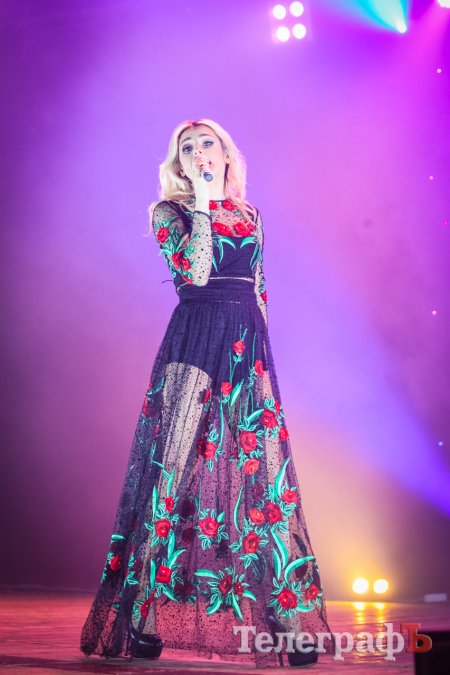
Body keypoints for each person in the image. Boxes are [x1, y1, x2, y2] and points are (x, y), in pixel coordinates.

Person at [80, 118, 335, 668]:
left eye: (207, 144)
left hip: (245, 347)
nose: (198, 152)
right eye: (187, 148)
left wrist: (260, 357)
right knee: (171, 476)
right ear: (179, 163)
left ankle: (288, 621)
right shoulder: (168, 213)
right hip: (194, 342)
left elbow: (259, 287)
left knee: (267, 481)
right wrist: (200, 201)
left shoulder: (251, 215)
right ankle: (142, 616)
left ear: (225, 154)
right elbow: (196, 274)